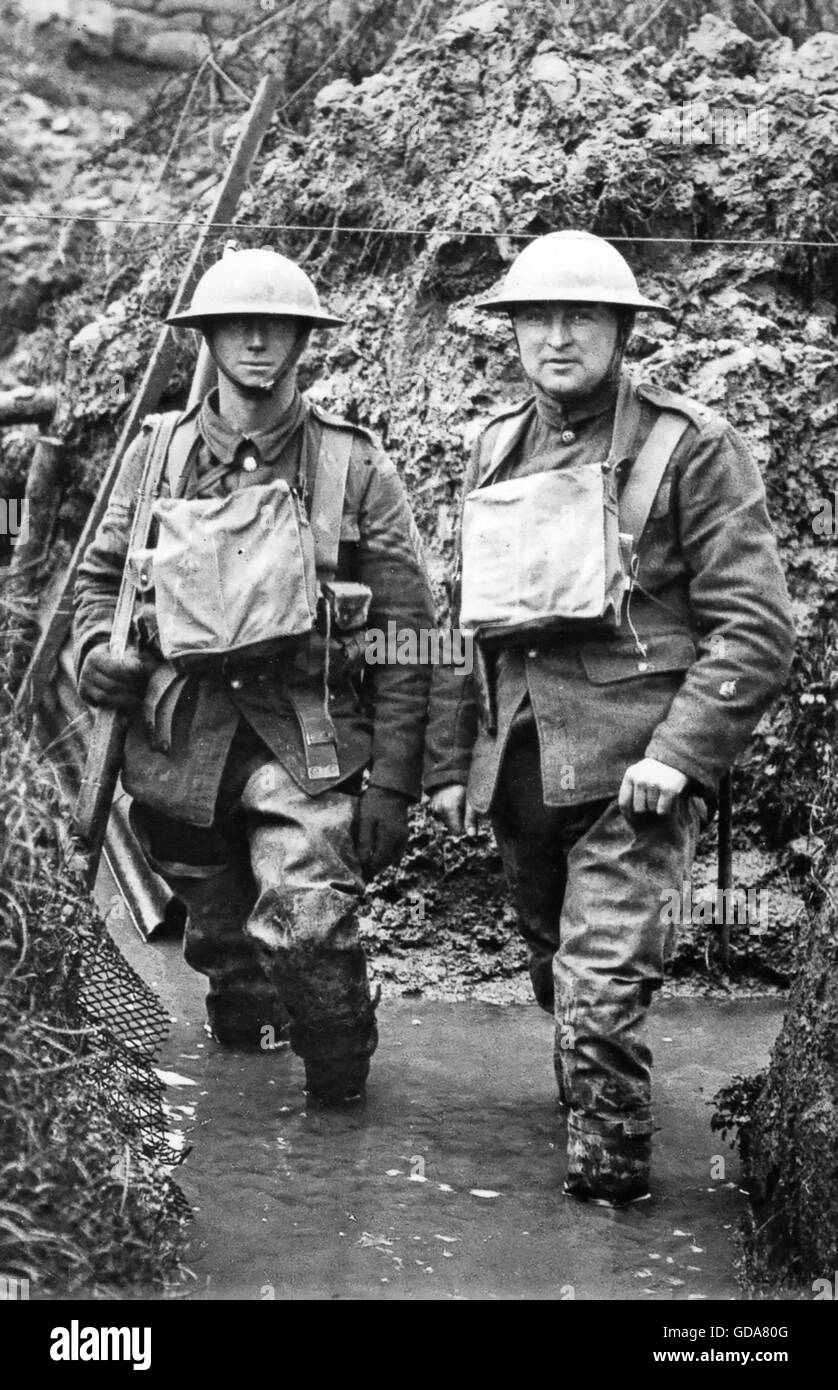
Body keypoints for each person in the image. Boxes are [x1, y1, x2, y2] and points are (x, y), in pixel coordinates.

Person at [424, 230, 794, 1204]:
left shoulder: (691, 447)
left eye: (579, 316)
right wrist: (467, 761)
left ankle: (609, 1206)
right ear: (510, 332)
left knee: (593, 1002)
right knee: (558, 980)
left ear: (621, 329)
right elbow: (479, 627)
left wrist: (679, 754)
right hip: (525, 774)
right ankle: (591, 1110)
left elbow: (755, 629)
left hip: (635, 779)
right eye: (535, 317)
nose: (555, 336)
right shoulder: (492, 445)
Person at [75, 247, 434, 1104]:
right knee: (235, 965)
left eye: (277, 328)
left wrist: (394, 785)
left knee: (308, 931)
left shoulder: (353, 466)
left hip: (303, 743)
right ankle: (254, 1114)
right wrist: (97, 654)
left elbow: (412, 637)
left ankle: (342, 1098)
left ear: (305, 340)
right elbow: (100, 581)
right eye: (239, 326)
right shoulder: (153, 456)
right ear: (208, 337)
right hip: (179, 749)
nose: (258, 344)